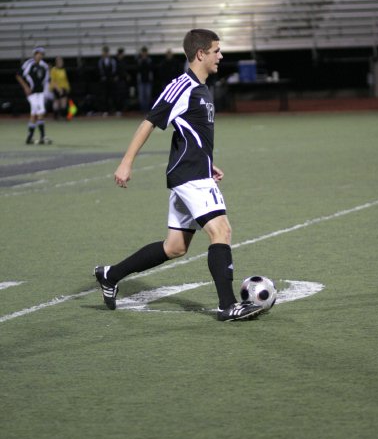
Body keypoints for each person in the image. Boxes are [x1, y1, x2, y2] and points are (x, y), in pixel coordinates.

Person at [94, 29, 264, 322]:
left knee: (174, 248)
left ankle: (110, 275)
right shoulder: (181, 86)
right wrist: (126, 162)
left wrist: (208, 162)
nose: (220, 56)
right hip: (190, 176)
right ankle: (227, 305)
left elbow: (191, 134)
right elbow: (150, 121)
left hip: (196, 171)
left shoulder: (202, 88)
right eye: (216, 51)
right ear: (201, 54)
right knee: (221, 231)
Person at [16, 46, 52, 145]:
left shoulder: (44, 66)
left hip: (40, 93)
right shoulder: (28, 63)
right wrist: (25, 87)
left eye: (42, 54)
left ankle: (30, 137)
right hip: (32, 93)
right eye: (39, 53)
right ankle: (42, 137)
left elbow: (47, 80)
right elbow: (18, 75)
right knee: (40, 111)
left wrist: (46, 92)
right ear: (35, 54)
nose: (40, 56)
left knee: (35, 113)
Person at [97, 46, 116, 114]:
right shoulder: (100, 61)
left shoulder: (112, 61)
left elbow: (114, 70)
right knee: (104, 96)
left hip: (110, 80)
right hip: (104, 81)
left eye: (106, 52)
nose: (105, 53)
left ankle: (112, 110)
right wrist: (103, 77)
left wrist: (111, 77)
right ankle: (105, 110)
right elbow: (100, 70)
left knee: (112, 95)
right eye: (104, 52)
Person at [136, 46, 154, 111]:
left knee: (148, 96)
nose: (144, 54)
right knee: (141, 96)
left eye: (145, 52)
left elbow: (151, 69)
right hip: (141, 80)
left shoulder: (149, 60)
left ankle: (147, 109)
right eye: (143, 52)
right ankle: (142, 110)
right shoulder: (139, 60)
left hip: (148, 80)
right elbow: (138, 69)